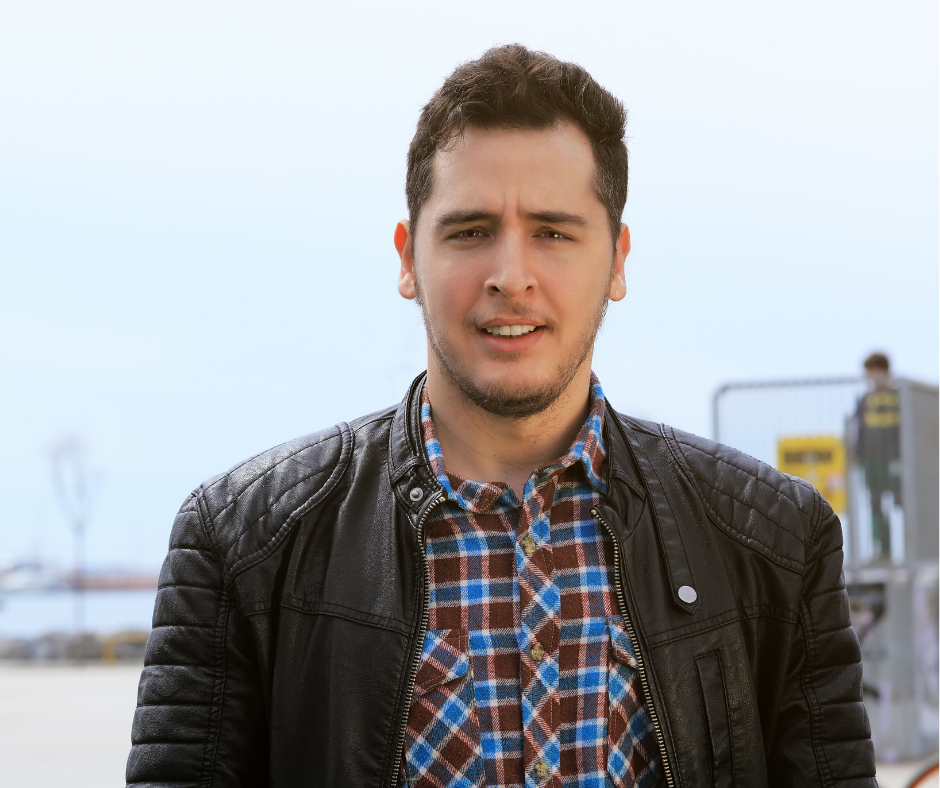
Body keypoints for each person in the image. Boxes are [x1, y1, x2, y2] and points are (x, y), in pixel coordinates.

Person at [126, 45, 875, 787]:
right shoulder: (244, 542)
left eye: (553, 231)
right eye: (470, 231)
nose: (510, 277)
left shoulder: (775, 544)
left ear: (616, 260)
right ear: (407, 258)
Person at [850, 351, 902, 561]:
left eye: (872, 372)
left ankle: (918, 549)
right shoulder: (865, 398)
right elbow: (859, 428)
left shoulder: (900, 397)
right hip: (871, 461)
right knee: (875, 504)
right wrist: (855, 453)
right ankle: (883, 551)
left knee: (903, 502)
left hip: (896, 459)